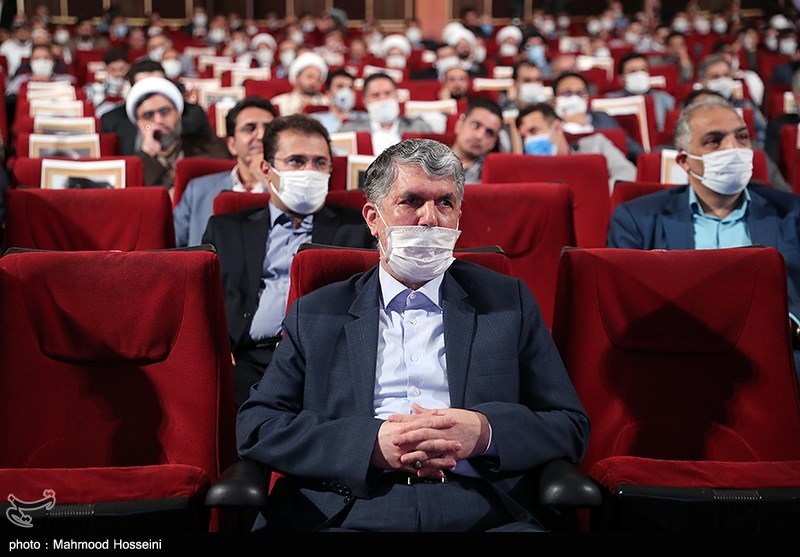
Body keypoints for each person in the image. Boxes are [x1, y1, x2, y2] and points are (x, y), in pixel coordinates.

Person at [236, 137, 591, 532]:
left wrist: (485, 432)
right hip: (351, 504)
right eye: (411, 201)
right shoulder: (318, 313)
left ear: (459, 216)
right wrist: (368, 445)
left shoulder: (508, 303)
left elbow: (568, 424)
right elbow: (259, 425)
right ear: (373, 218)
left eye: (445, 203)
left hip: (484, 507)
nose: (430, 218)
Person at [606, 97, 800, 370]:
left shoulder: (792, 212)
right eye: (714, 141)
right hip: (675, 358)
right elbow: (624, 305)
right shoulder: (636, 218)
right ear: (684, 161)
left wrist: (790, 324)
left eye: (742, 137)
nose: (733, 149)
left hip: (776, 352)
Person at [202, 114, 376, 408]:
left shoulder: (357, 229)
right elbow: (201, 297)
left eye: (319, 163)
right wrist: (214, 344)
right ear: (267, 169)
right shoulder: (226, 228)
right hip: (246, 357)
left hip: (324, 361)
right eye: (296, 161)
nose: (309, 171)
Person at [173, 97, 278, 247]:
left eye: (269, 129)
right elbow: (171, 247)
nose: (261, 135)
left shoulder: (289, 189)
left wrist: (270, 183)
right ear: (232, 145)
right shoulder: (198, 190)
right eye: (249, 128)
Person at [125, 76, 229, 188]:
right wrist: (148, 153)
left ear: (178, 113)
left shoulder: (211, 148)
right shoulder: (133, 167)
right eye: (148, 115)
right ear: (139, 123)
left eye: (164, 111)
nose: (159, 120)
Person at [100, 59, 212, 156]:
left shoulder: (193, 115)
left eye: (159, 87)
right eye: (146, 90)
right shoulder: (111, 121)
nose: (153, 95)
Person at [516, 103, 636, 192]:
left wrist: (596, 195)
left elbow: (628, 173)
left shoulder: (596, 145)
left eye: (534, 131)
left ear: (557, 128)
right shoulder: (526, 171)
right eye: (523, 137)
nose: (528, 141)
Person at [552, 71, 644, 163]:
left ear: (586, 99)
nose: (574, 98)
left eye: (580, 93)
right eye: (567, 93)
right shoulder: (548, 124)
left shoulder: (602, 118)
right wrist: (569, 126)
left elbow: (634, 150)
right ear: (554, 101)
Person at [339, 72, 432, 156]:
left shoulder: (419, 127)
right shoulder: (349, 131)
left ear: (397, 95)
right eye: (375, 95)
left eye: (388, 93)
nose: (383, 99)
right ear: (365, 101)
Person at [605, 52, 676, 133]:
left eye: (643, 70)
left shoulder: (665, 99)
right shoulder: (611, 100)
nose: (639, 74)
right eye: (633, 71)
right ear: (621, 78)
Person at [451, 97, 503, 183]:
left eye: (489, 133)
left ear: (493, 143)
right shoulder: (430, 161)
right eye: (475, 125)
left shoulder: (493, 177)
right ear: (459, 125)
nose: (479, 136)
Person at [271, 51, 330, 116]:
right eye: (310, 76)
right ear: (297, 77)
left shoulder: (327, 103)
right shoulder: (279, 102)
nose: (314, 81)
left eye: (318, 79)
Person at [310, 68, 367, 134]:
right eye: (340, 86)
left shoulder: (365, 119)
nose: (346, 91)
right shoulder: (315, 121)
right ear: (328, 93)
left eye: (350, 87)